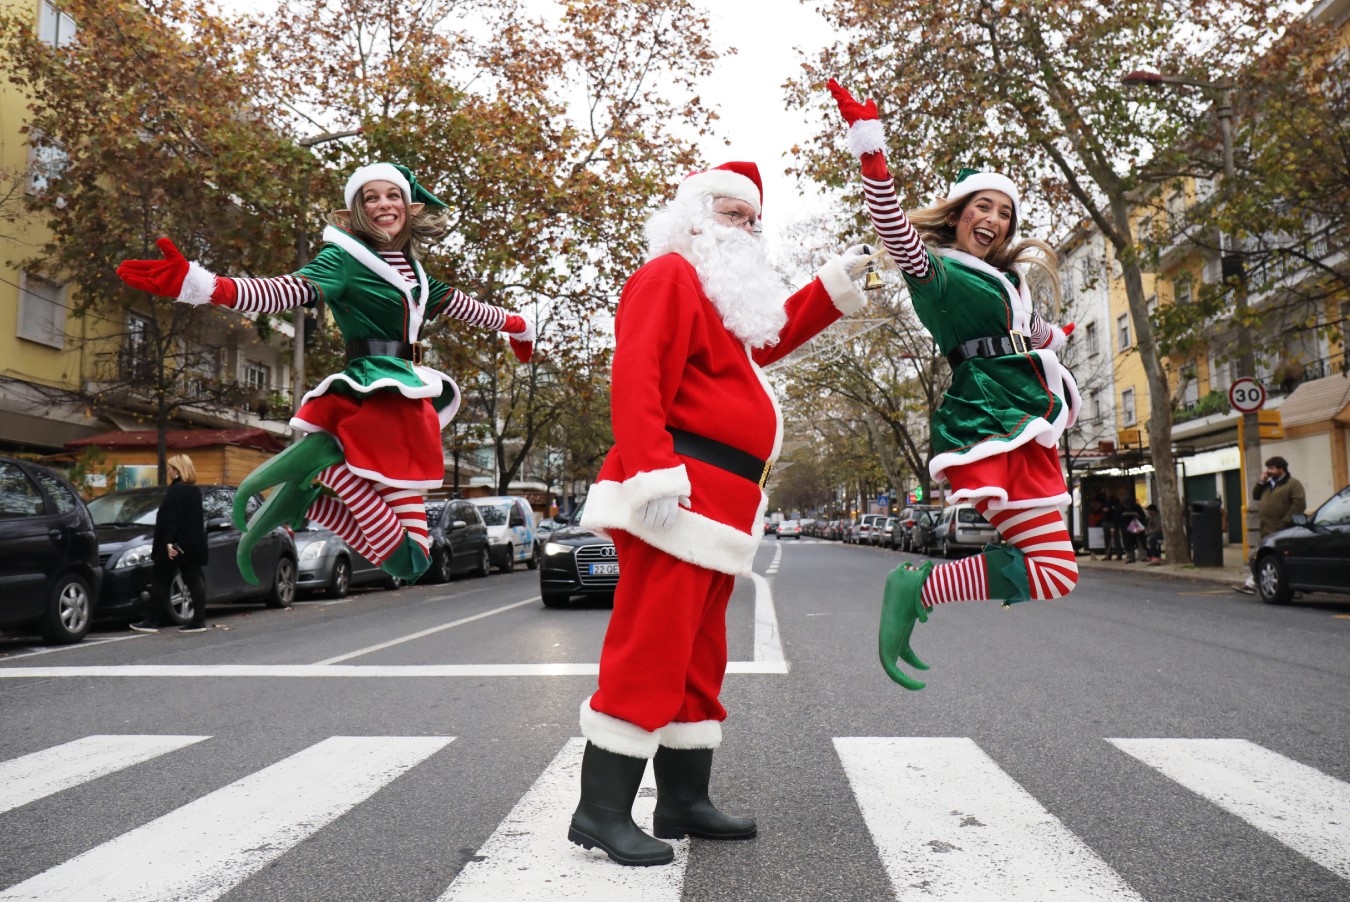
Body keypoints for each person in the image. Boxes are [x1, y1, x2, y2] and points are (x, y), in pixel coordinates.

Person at [572, 161, 873, 866]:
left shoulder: (716, 298)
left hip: (719, 506)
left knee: (697, 659)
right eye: (733, 214)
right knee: (650, 650)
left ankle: (682, 800)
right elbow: (638, 372)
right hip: (677, 495)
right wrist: (652, 470)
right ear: (695, 216)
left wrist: (830, 287)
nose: (747, 228)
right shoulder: (670, 275)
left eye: (753, 218)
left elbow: (770, 333)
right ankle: (600, 810)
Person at [116, 163, 535, 584]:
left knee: (409, 561)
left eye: (392, 195)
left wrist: (518, 326)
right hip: (380, 395)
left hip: (407, 392)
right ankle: (327, 470)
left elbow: (469, 307)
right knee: (412, 560)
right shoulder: (344, 258)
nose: (383, 204)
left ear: (408, 206)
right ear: (357, 209)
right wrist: (208, 286)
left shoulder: (416, 274)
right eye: (370, 197)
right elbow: (287, 289)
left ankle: (311, 502)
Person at [828, 79, 1081, 690]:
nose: (993, 218)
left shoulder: (1006, 284)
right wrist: (870, 149)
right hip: (992, 417)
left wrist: (1057, 335)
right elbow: (892, 226)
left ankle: (919, 589)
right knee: (1052, 568)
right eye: (982, 206)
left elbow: (1038, 333)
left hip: (1025, 415)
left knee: (1055, 572)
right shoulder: (938, 272)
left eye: (1004, 211)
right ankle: (914, 589)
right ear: (958, 213)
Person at [129, 453, 209, 633]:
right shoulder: (194, 491)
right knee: (194, 580)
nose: (169, 472)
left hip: (175, 544)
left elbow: (172, 519)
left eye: (171, 468)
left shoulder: (176, 491)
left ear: (178, 470)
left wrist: (169, 542)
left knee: (161, 579)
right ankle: (199, 620)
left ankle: (152, 621)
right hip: (194, 544)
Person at [1237, 455, 1307, 593]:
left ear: (1282, 469)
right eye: (1268, 468)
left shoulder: (1292, 484)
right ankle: (1251, 583)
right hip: (1266, 527)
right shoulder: (1268, 484)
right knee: (1262, 556)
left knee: (1272, 558)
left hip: (1282, 528)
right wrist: (1261, 481)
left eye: (1272, 468)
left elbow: (1299, 504)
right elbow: (1256, 495)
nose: (1269, 471)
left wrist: (1286, 520)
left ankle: (1252, 583)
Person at [1119, 494, 1146, 563]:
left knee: (1139, 541)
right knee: (1128, 543)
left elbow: (1142, 516)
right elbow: (1117, 517)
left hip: (1135, 525)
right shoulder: (1120, 507)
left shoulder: (1136, 507)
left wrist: (1136, 516)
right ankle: (1131, 557)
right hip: (1126, 528)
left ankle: (1143, 556)